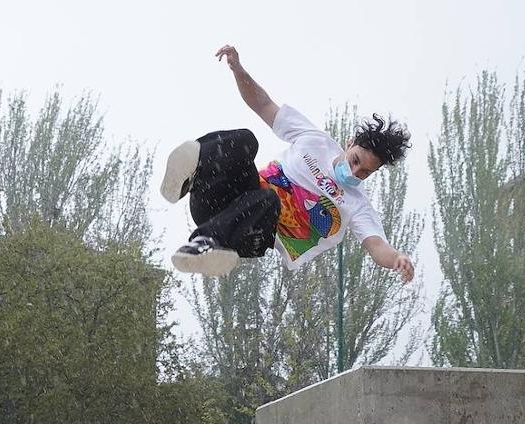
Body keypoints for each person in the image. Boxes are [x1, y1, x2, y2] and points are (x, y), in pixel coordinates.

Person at [160, 44, 416, 284]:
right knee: (245, 139)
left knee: (269, 199)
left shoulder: (357, 204)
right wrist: (238, 69)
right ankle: (188, 177)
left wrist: (397, 259)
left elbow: (376, 245)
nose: (354, 172)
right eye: (355, 161)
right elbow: (263, 104)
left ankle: (204, 246)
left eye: (365, 173)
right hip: (215, 203)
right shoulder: (315, 141)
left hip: (249, 233)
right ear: (350, 144)